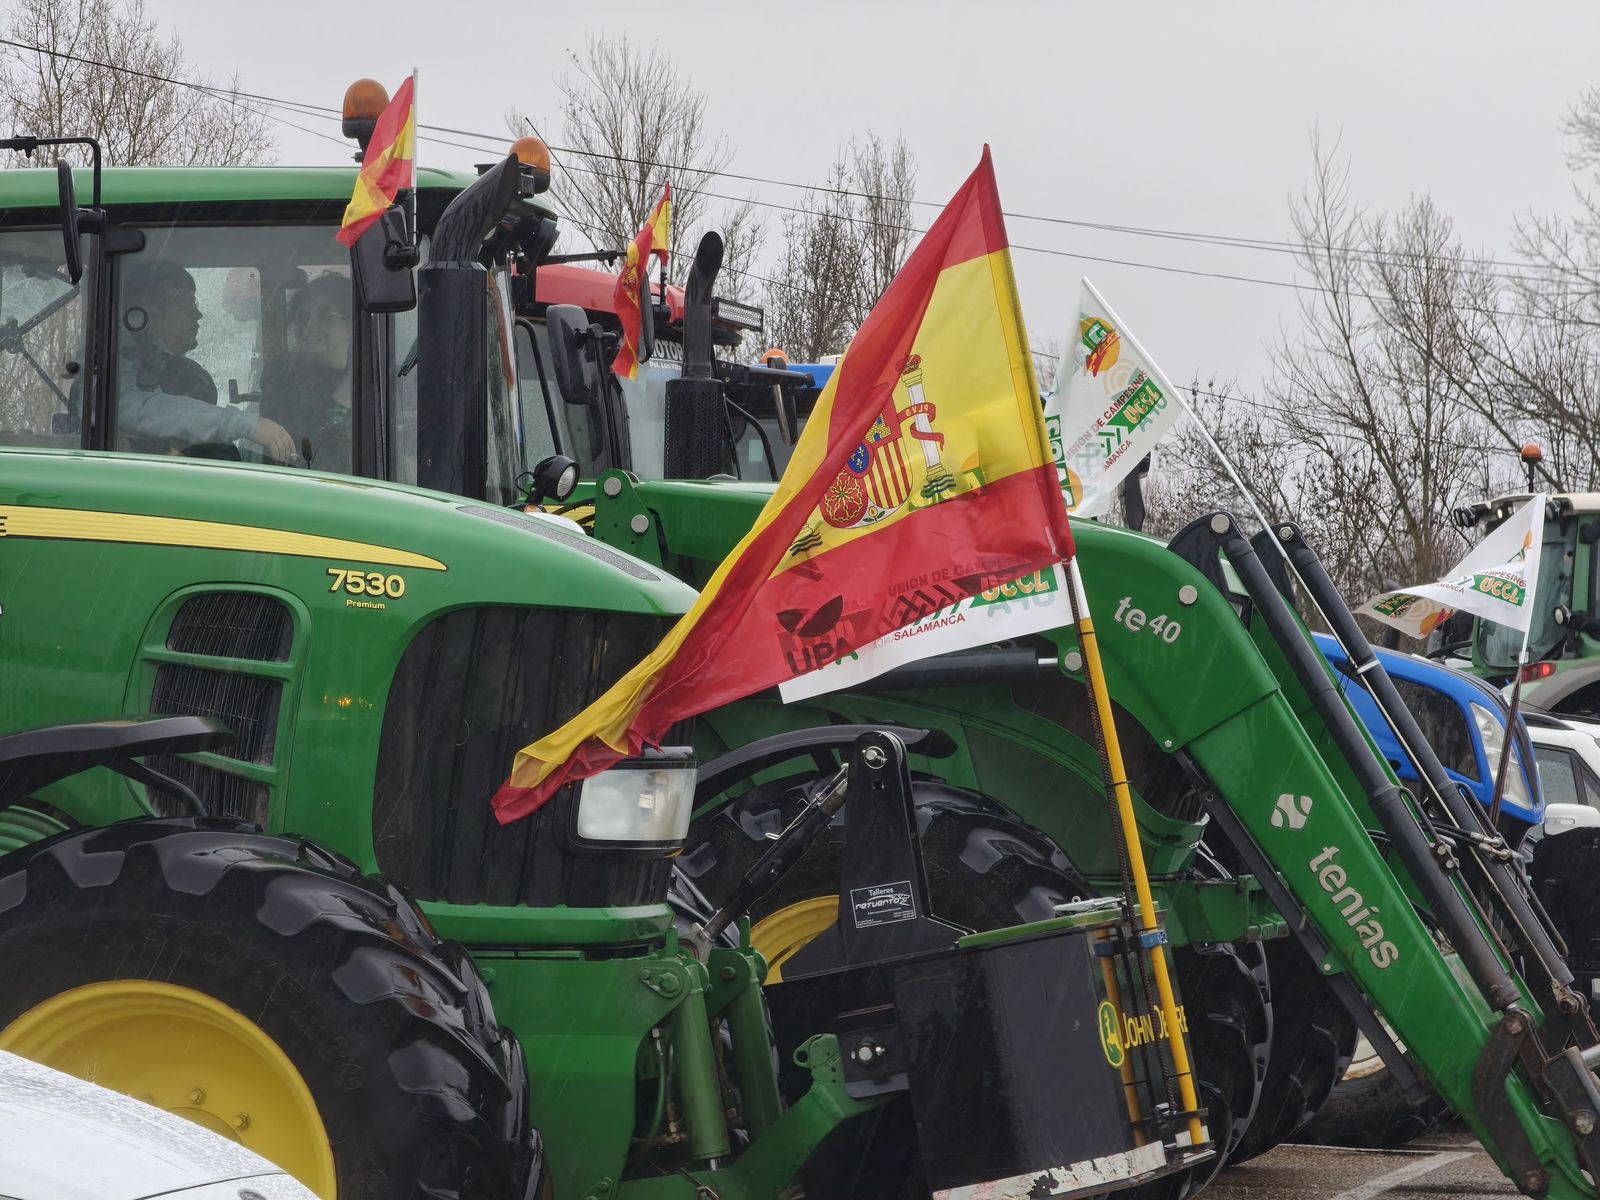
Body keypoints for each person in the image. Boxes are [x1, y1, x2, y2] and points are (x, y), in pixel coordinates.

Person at [117, 257, 295, 461]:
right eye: (185, 304)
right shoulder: (112, 365)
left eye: (196, 304)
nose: (198, 314)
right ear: (149, 311)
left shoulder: (176, 368)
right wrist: (244, 424)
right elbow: (133, 410)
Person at [259, 272, 353, 470]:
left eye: (324, 317)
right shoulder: (282, 377)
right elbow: (287, 456)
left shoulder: (379, 377)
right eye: (302, 316)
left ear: (350, 326)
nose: (309, 326)